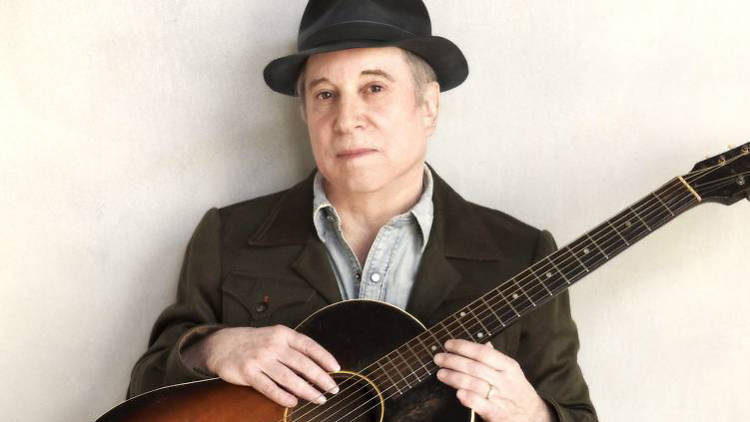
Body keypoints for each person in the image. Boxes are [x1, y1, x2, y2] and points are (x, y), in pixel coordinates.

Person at [128, 1, 597, 421]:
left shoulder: (521, 254)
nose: (346, 119)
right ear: (305, 114)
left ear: (428, 106)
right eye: (325, 95)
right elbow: (141, 391)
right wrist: (213, 348)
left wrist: (532, 414)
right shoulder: (227, 236)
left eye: (374, 87)